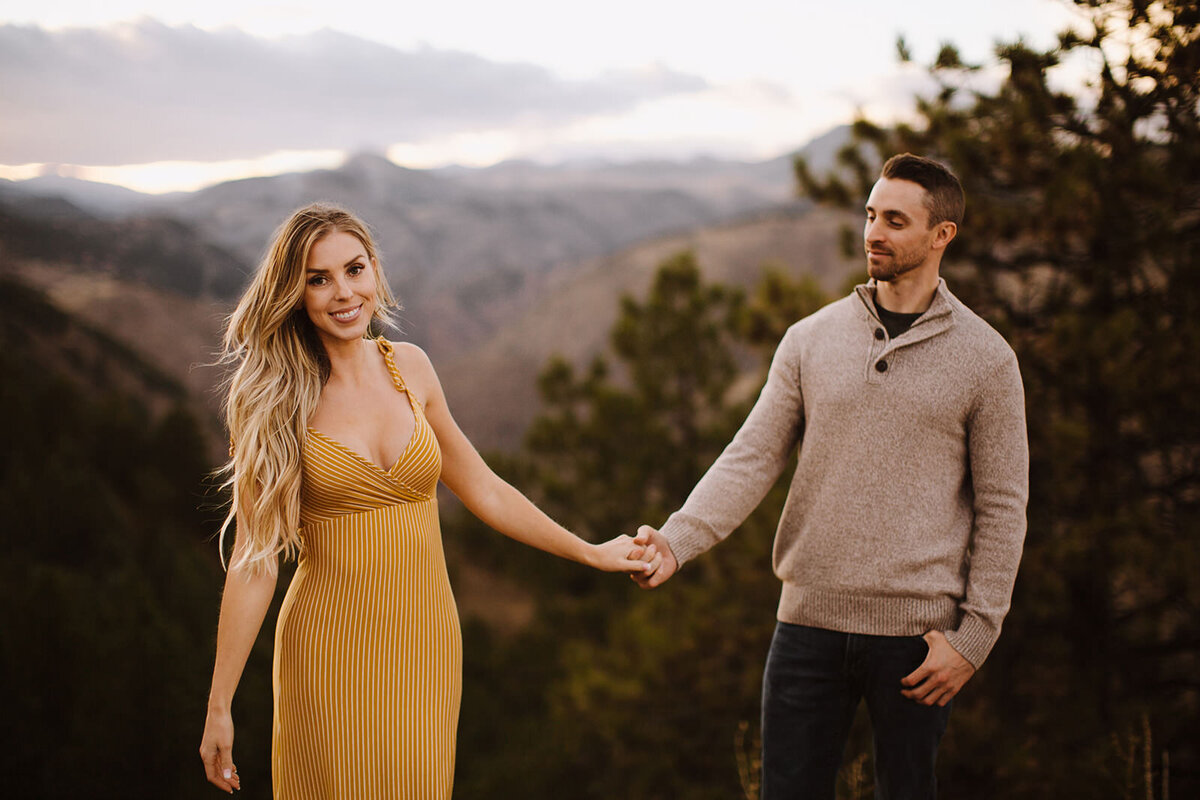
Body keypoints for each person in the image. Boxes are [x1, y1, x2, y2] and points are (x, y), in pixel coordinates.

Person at [198, 203, 661, 798]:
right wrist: (219, 705)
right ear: (294, 291)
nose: (343, 292)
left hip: (428, 638)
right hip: (329, 649)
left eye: (354, 269)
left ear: (375, 273)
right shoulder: (270, 401)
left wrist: (591, 552)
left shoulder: (410, 368)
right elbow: (254, 559)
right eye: (319, 278)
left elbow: (487, 491)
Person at [631, 154, 1028, 798]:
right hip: (806, 630)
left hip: (917, 644)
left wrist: (975, 635)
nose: (873, 232)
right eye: (870, 215)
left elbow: (1004, 506)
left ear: (941, 235)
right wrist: (678, 542)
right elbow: (751, 456)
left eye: (895, 220)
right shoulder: (810, 340)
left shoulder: (986, 360)